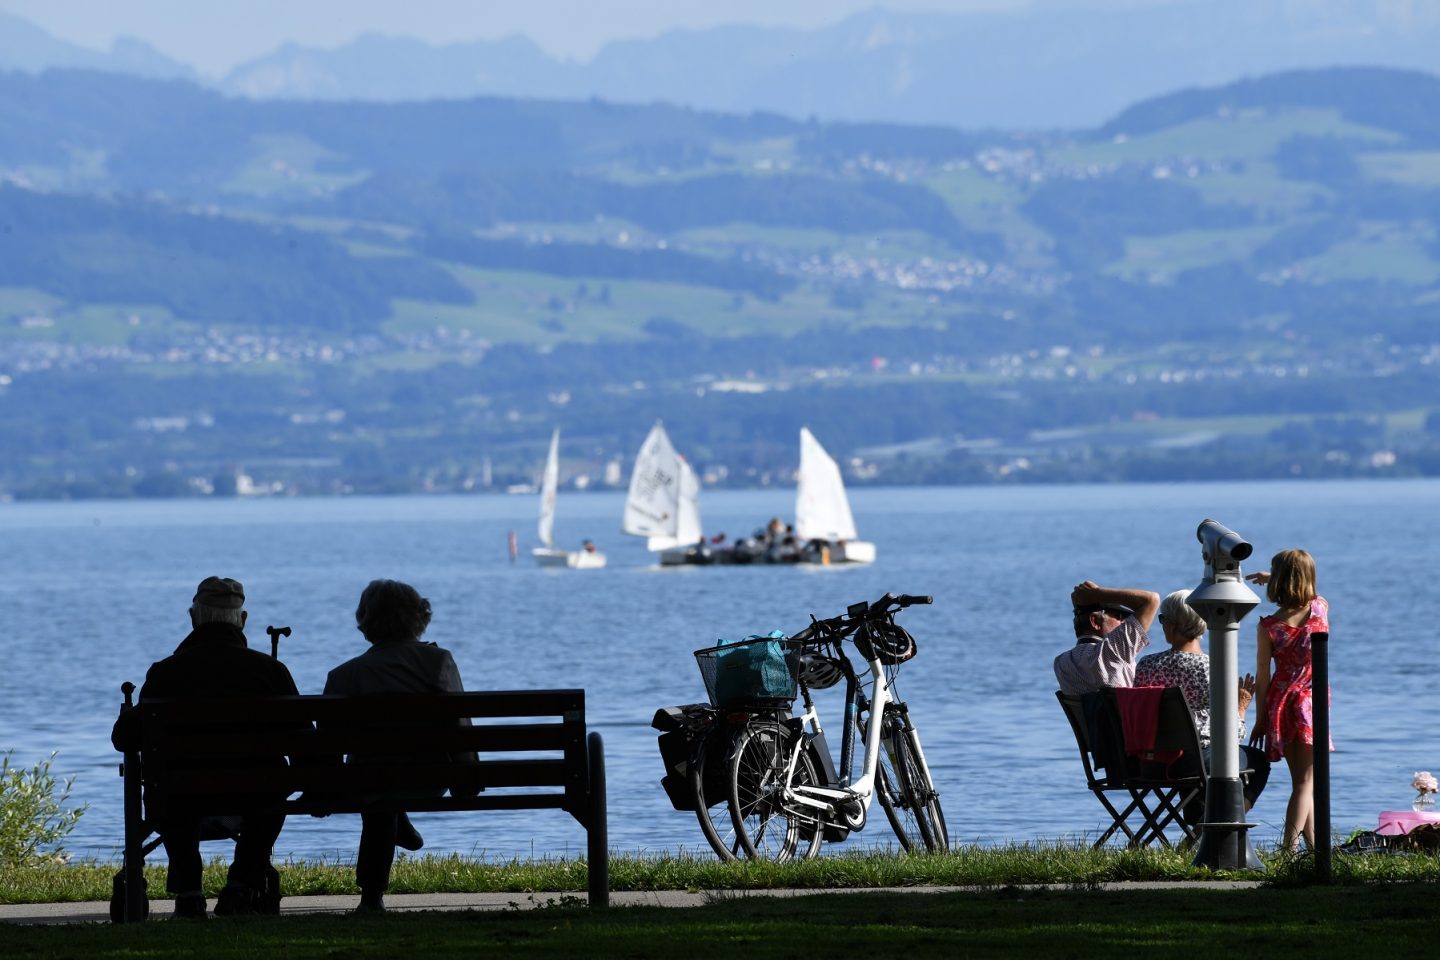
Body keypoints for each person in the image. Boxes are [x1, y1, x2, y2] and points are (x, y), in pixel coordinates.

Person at [110, 576, 299, 919]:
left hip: (180, 798)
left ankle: (189, 892)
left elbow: (124, 738)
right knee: (273, 784)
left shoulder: (166, 673)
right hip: (253, 797)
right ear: (242, 620)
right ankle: (243, 884)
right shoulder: (270, 672)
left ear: (194, 617)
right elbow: (302, 740)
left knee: (171, 786)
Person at [323, 579, 476, 913]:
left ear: (365, 622)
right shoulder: (439, 662)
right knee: (387, 788)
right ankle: (399, 824)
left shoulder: (344, 676)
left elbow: (328, 747)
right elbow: (460, 727)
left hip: (369, 780)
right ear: (419, 618)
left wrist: (324, 790)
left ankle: (371, 897)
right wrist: (467, 780)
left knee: (378, 792)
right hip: (428, 779)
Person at [1134, 590, 1271, 816]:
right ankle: (1216, 824)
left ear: (1173, 624)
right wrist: (1241, 708)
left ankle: (1200, 824)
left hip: (1151, 764)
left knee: (1201, 752)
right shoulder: (1214, 669)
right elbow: (1231, 736)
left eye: (1162, 619)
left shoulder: (1147, 665)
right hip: (1193, 764)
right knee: (1258, 760)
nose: (1162, 625)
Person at [1247, 549, 1331, 851]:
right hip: (1311, 703)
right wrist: (1282, 576)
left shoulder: (1268, 626)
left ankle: (1315, 849)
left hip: (1281, 703)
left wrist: (1259, 720)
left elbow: (1263, 676)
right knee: (1305, 783)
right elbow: (1310, 593)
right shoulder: (1320, 608)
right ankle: (1288, 850)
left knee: (1302, 781)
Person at [1054, 581, 1160, 695]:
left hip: (1091, 713)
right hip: (1126, 713)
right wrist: (1096, 594)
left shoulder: (1061, 663)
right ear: (1095, 621)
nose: (1123, 622)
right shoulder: (1112, 651)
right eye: (1119, 616)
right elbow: (1151, 600)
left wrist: (1081, 607)